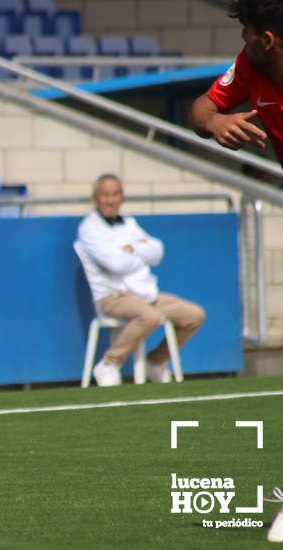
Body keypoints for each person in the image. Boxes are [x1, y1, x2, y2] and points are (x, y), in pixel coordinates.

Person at [76, 174, 206, 387]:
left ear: (122, 197)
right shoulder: (89, 228)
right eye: (105, 195)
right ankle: (109, 363)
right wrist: (138, 250)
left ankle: (154, 362)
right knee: (150, 316)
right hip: (112, 297)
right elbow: (115, 264)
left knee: (194, 315)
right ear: (95, 198)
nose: (110, 200)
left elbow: (157, 251)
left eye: (115, 194)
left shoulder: (129, 223)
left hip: (146, 294)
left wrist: (129, 249)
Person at [190, 0, 283, 167]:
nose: (243, 37)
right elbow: (201, 109)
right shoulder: (250, 65)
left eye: (246, 31)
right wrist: (212, 121)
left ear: (267, 41)